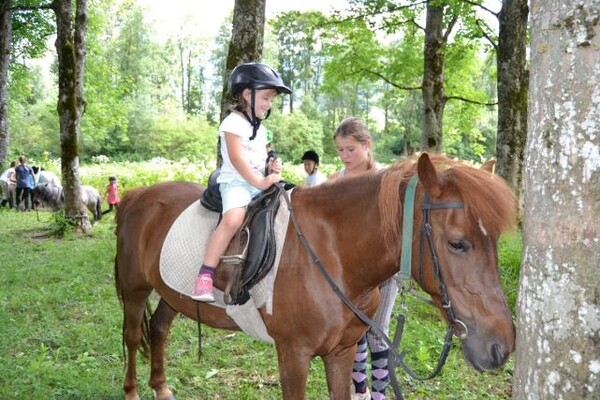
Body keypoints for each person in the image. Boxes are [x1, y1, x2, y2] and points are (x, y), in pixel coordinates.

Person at [191, 62, 291, 302]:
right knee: (233, 219)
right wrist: (261, 182)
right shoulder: (232, 123)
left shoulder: (261, 128)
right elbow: (237, 159)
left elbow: (262, 156)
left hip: (257, 181)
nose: (269, 104)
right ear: (247, 94)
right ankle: (205, 275)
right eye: (266, 98)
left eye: (271, 100)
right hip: (236, 182)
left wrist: (270, 167)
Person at [328, 117, 397, 400]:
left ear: (367, 145)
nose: (344, 156)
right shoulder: (335, 182)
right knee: (353, 331)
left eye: (351, 149)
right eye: (340, 150)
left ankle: (379, 395)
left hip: (382, 270)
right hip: (347, 272)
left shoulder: (385, 181)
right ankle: (360, 392)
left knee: (378, 331)